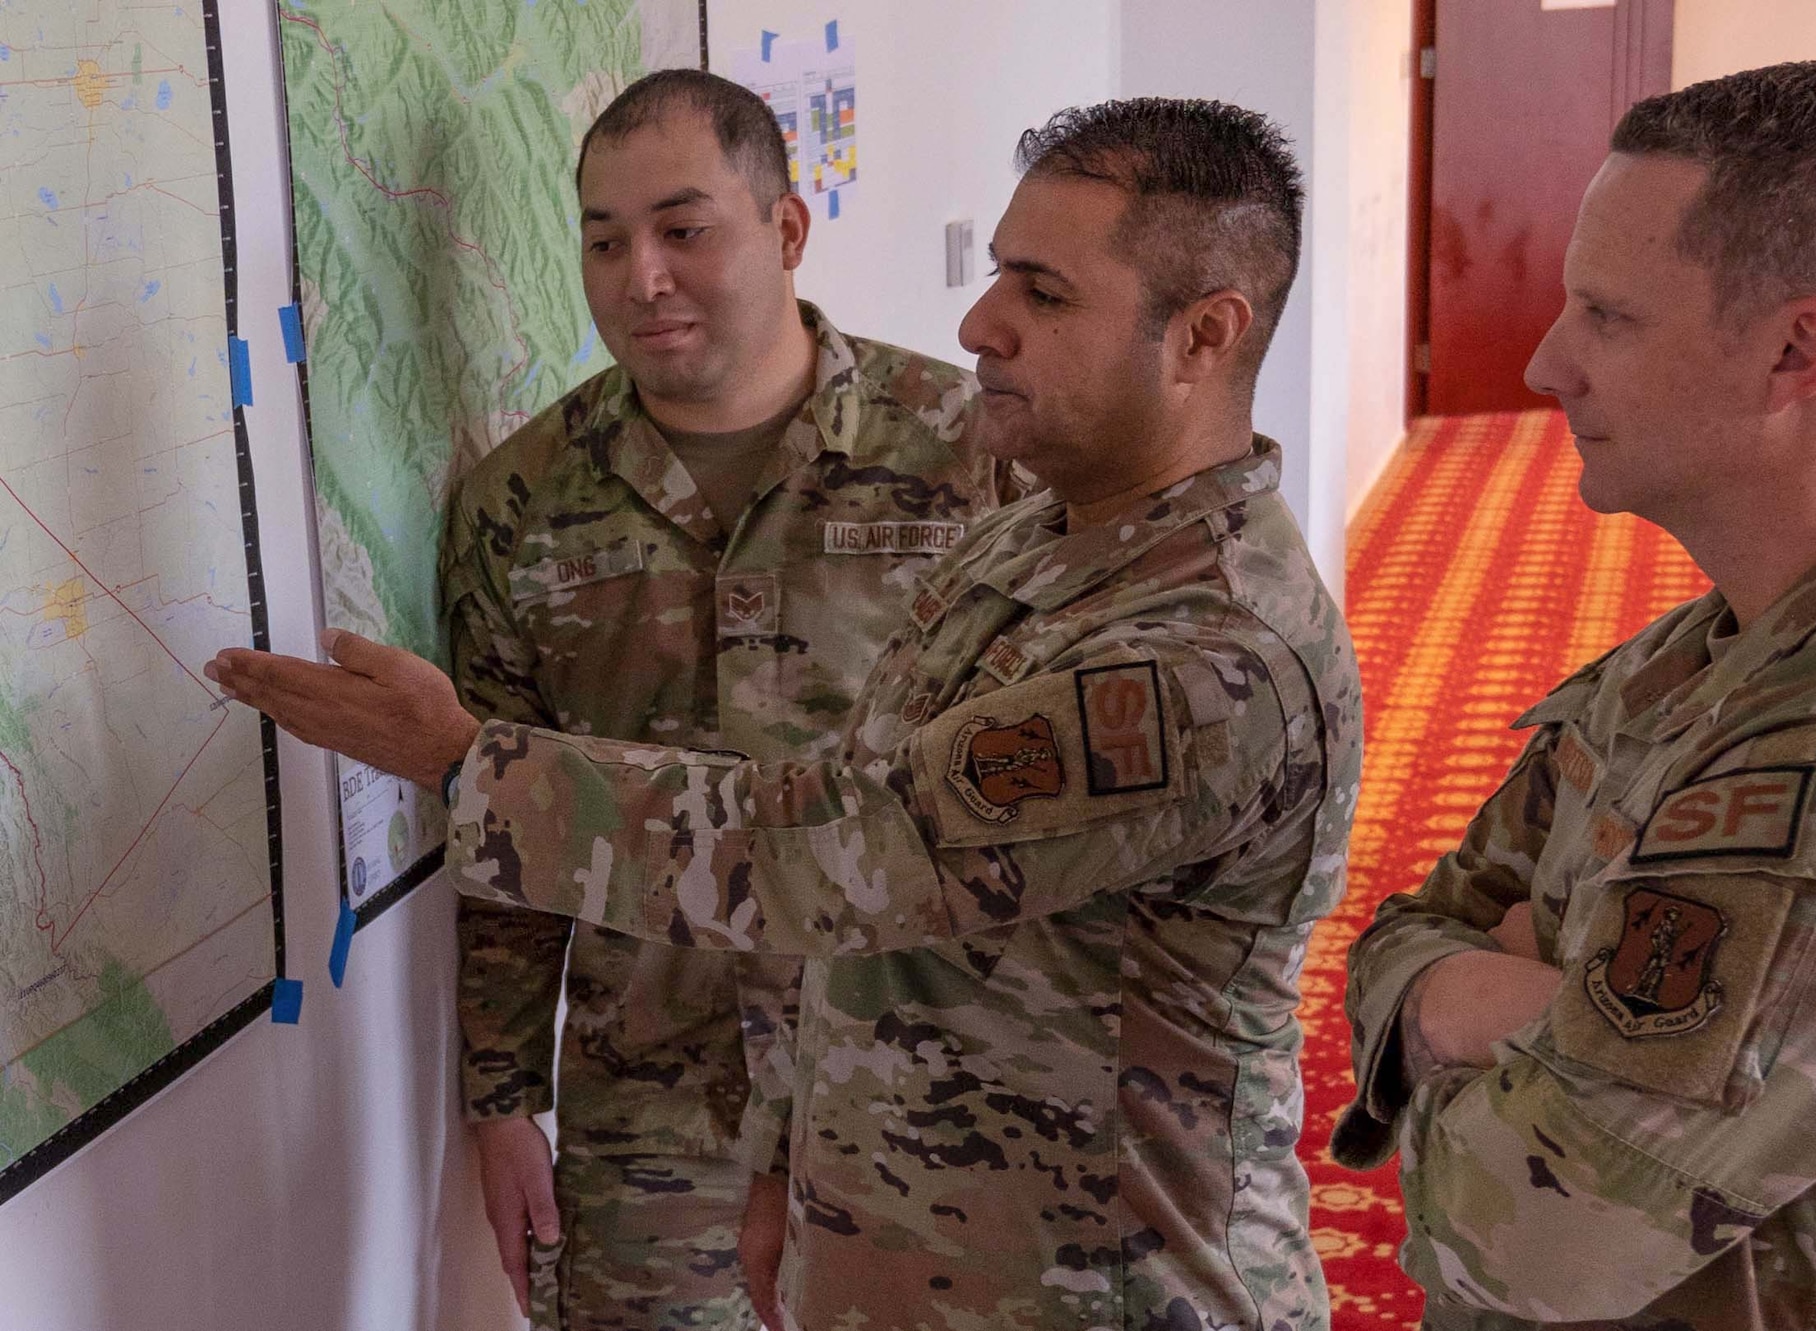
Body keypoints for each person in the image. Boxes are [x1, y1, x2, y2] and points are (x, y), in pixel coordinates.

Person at [208, 97, 1362, 1330]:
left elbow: (838, 848)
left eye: (1043, 292)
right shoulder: (1039, 539)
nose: (981, 323)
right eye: (995, 279)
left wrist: (460, 760)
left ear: (1201, 336)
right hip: (899, 1234)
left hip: (1095, 1284)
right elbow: (869, 921)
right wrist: (789, 1161)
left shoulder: (1198, 657)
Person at [1330, 60, 1816, 1326]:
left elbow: (1532, 1231)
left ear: (1797, 350)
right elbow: (1413, 926)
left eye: (1606, 316)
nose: (1543, 364)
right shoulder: (1706, 648)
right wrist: (1480, 990)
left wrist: (1479, 998)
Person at [445, 69, 1018, 1330]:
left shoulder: (965, 454)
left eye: (682, 230)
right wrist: (500, 1099)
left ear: (787, 230)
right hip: (651, 1098)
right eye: (604, 240)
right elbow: (497, 829)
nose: (639, 276)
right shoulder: (519, 502)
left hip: (926, 1080)